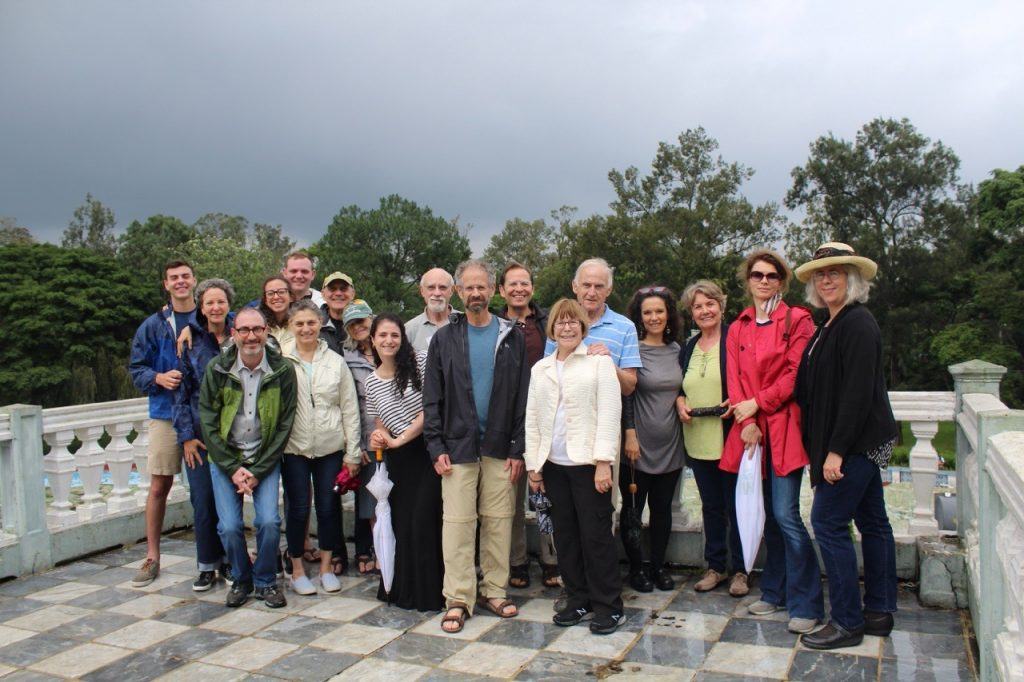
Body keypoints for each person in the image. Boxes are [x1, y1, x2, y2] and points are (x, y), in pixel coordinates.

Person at [794, 243, 898, 650]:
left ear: (852, 279)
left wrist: (834, 452)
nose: (826, 279)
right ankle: (879, 610)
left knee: (828, 524)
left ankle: (847, 621)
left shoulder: (857, 323)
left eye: (835, 272)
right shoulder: (829, 325)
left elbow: (856, 394)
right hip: (854, 443)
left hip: (855, 445)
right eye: (821, 274)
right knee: (874, 523)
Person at [721, 249, 825, 634]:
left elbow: (797, 375)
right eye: (757, 275)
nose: (764, 281)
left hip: (784, 429)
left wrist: (756, 405)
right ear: (747, 280)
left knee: (786, 515)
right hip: (750, 430)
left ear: (782, 280)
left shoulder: (798, 319)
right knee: (767, 519)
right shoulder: (739, 326)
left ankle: (807, 603)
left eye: (772, 275)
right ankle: (774, 593)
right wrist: (746, 418)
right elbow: (734, 379)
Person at [423, 259, 529, 633]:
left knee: (500, 523)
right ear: (458, 291)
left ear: (493, 289)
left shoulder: (511, 336)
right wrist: (435, 446)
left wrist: (519, 448)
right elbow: (431, 397)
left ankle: (495, 590)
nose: (475, 293)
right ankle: (458, 597)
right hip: (458, 447)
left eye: (481, 286)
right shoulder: (445, 338)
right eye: (468, 287)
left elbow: (522, 397)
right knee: (457, 524)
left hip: (500, 446)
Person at [525, 298, 625, 635]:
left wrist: (603, 463)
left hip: (588, 466)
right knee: (565, 537)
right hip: (553, 466)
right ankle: (579, 598)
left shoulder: (599, 363)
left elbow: (610, 415)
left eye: (573, 322)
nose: (567, 327)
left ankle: (609, 606)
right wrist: (533, 467)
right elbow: (533, 419)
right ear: (551, 328)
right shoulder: (541, 369)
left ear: (583, 327)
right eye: (560, 322)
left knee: (596, 536)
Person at [199, 306, 297, 608]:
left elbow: (284, 424)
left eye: (257, 329)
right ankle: (241, 579)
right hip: (226, 459)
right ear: (234, 334)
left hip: (263, 459)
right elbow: (208, 421)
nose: (251, 336)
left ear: (266, 332)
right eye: (244, 330)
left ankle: (266, 581)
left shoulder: (282, 370)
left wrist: (257, 469)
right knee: (228, 526)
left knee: (268, 521)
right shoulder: (217, 368)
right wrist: (232, 468)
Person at [280, 300, 362, 596]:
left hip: (330, 447)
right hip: (294, 448)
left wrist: (353, 452)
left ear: (320, 325)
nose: (305, 329)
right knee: (298, 509)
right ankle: (298, 569)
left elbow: (350, 409)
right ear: (291, 326)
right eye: (299, 323)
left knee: (329, 508)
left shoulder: (335, 361)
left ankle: (327, 567)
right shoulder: (281, 360)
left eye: (311, 323)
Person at [364, 312, 444, 611]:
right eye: (382, 335)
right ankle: (402, 589)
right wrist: (380, 438)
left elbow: (430, 408)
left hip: (426, 452)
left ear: (402, 338)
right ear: (372, 340)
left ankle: (431, 592)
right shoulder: (370, 383)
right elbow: (380, 422)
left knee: (424, 520)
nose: (389, 341)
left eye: (394, 335)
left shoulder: (420, 364)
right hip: (398, 461)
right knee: (402, 524)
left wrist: (400, 438)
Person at [128, 260, 197, 587]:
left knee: (210, 488)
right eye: (174, 278)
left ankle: (222, 552)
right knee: (159, 486)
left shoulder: (210, 316)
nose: (181, 282)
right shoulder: (153, 325)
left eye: (185, 276)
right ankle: (152, 555)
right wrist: (156, 377)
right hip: (165, 413)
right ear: (166, 284)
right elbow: (136, 368)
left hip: (202, 416)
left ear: (194, 280)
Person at [677, 280, 747, 597]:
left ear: (721, 305)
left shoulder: (737, 339)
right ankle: (715, 566)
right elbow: (681, 386)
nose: (705, 311)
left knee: (737, 507)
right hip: (699, 437)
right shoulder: (689, 347)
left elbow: (749, 380)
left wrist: (736, 400)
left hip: (730, 436)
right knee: (711, 506)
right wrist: (680, 401)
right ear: (691, 313)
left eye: (710, 304)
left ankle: (741, 571)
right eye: (698, 306)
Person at [494, 261, 558, 590]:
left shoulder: (548, 321)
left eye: (525, 283)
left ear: (532, 287)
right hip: (508, 420)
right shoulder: (494, 325)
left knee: (549, 493)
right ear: (501, 290)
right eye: (512, 284)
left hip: (547, 416)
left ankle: (551, 560)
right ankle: (517, 561)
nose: (519, 289)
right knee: (512, 495)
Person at [619, 286, 686, 593]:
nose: (654, 317)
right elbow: (628, 393)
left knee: (662, 510)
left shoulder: (678, 350)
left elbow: (684, 388)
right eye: (648, 312)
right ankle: (637, 568)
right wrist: (629, 433)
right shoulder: (631, 349)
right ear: (639, 317)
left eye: (659, 311)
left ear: (669, 314)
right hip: (637, 446)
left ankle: (658, 566)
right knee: (633, 511)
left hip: (671, 443)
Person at [171, 278, 235, 591]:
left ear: (229, 304)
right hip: (199, 436)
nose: (215, 307)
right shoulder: (191, 342)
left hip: (235, 436)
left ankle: (235, 562)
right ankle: (208, 564)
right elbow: (181, 394)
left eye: (220, 301)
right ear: (201, 306)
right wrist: (185, 436)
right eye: (209, 302)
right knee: (203, 502)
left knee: (231, 506)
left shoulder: (241, 335)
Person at [341, 300, 379, 575]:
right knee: (370, 501)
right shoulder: (345, 359)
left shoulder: (391, 348)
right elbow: (349, 406)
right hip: (365, 439)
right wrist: (354, 445)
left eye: (362, 321)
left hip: (395, 437)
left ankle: (393, 549)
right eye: (352, 323)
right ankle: (374, 549)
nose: (359, 327)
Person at [405, 267, 462, 352]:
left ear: (451, 290)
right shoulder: (409, 330)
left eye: (442, 287)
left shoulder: (467, 323)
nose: (437, 293)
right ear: (422, 291)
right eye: (431, 287)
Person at [320, 271, 356, 354]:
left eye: (343, 289)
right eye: (332, 289)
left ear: (353, 293)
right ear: (323, 294)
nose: (338, 293)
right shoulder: (313, 324)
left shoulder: (366, 323)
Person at [259, 275, 294, 352]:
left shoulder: (301, 324)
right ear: (265, 300)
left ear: (291, 297)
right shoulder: (258, 326)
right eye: (270, 293)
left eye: (281, 292)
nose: (276, 297)